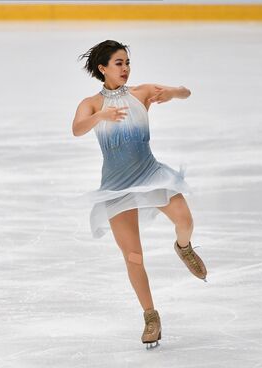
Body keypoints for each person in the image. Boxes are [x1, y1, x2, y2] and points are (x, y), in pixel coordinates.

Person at [72, 40, 207, 348]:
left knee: (185, 220)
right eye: (118, 63)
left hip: (150, 174)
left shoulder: (141, 93)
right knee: (133, 257)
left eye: (127, 62)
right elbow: (77, 128)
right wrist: (100, 117)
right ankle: (150, 316)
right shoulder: (91, 103)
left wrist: (171, 93)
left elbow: (186, 91)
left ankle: (183, 247)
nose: (125, 68)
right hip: (117, 188)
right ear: (103, 68)